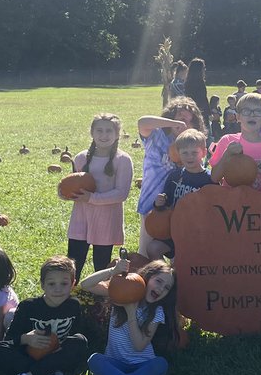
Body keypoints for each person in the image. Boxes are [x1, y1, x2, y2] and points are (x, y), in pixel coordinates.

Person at [0, 256, 92, 375]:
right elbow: (10, 339)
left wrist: (63, 348)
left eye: (64, 283)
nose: (58, 289)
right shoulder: (28, 306)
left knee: (80, 341)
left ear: (73, 284)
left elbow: (76, 335)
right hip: (30, 356)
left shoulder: (73, 306)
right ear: (42, 284)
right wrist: (26, 338)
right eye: (51, 284)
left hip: (57, 357)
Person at [80, 257, 177, 375]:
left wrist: (131, 313)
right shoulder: (122, 291)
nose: (160, 289)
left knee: (160, 364)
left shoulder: (157, 312)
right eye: (158, 281)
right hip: (115, 362)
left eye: (166, 288)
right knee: (94, 360)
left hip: (142, 364)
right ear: (147, 276)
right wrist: (114, 271)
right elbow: (85, 285)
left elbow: (139, 346)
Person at [64, 112, 133, 278]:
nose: (104, 135)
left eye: (109, 131)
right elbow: (72, 186)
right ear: (92, 133)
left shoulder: (123, 160)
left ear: (117, 134)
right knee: (73, 263)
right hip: (81, 218)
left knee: (101, 266)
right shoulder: (81, 158)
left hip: (106, 220)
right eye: (99, 131)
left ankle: (100, 301)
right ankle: (70, 297)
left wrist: (91, 198)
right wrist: (65, 193)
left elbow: (121, 193)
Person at [136, 97, 204, 255]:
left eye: (189, 120)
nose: (183, 123)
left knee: (180, 253)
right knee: (146, 251)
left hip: (180, 207)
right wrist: (173, 124)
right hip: (151, 204)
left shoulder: (193, 147)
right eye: (180, 118)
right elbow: (142, 122)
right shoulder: (156, 136)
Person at [150, 129, 214, 258]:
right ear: (178, 154)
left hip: (197, 232)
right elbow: (166, 201)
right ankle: (166, 276)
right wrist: (158, 203)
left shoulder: (210, 179)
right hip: (173, 229)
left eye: (194, 153)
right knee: (153, 248)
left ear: (204, 153)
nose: (189, 157)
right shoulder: (174, 176)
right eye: (185, 153)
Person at [209, 92, 261, 191]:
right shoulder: (227, 141)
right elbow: (215, 178)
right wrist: (227, 154)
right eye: (246, 111)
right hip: (231, 203)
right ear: (238, 117)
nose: (252, 115)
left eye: (258, 112)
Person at [185, 57, 210, 126]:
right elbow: (203, 98)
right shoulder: (200, 83)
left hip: (191, 109)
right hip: (201, 111)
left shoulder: (187, 82)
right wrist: (209, 112)